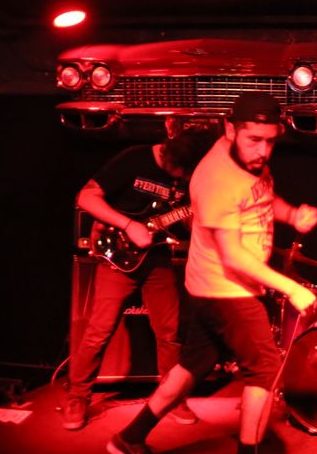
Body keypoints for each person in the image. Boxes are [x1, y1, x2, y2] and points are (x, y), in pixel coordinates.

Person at [106, 93, 317, 454]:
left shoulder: (248, 159)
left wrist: (291, 214)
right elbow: (233, 257)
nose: (263, 151)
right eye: (254, 140)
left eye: (270, 141)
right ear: (230, 129)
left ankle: (130, 438)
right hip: (226, 289)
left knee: (193, 366)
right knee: (264, 367)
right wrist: (291, 287)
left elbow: (260, 197)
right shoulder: (216, 177)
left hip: (213, 287)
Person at [63, 120, 219, 430]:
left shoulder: (191, 173)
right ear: (172, 154)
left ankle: (171, 398)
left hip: (157, 258)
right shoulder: (134, 158)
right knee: (98, 331)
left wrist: (201, 217)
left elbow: (186, 219)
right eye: (179, 170)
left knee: (170, 332)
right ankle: (77, 397)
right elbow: (86, 197)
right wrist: (128, 225)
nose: (181, 176)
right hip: (117, 255)